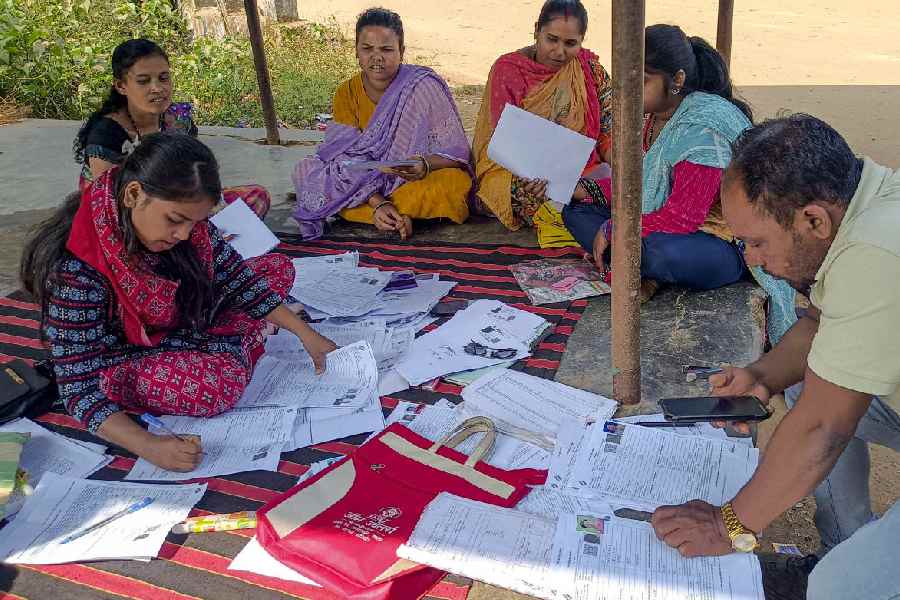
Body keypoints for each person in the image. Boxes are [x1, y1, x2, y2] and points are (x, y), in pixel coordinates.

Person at [649, 115, 900, 600]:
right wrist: (762, 376)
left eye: (759, 242)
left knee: (839, 589)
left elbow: (824, 428)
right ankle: (845, 541)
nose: (752, 260)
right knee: (810, 380)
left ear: (813, 220)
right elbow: (818, 324)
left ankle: (849, 566)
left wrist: (730, 526)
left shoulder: (874, 252)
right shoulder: (861, 202)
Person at [21, 133, 337, 472]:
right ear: (133, 195)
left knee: (276, 268)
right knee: (215, 388)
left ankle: (241, 340)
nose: (185, 235)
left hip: (178, 322)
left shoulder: (188, 229)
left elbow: (236, 277)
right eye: (174, 220)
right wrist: (149, 446)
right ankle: (243, 340)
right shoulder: (78, 270)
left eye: (195, 222)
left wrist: (305, 334)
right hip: (120, 356)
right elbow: (78, 390)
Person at [562, 24, 749, 298]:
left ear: (677, 80)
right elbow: (644, 184)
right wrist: (590, 190)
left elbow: (684, 217)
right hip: (662, 225)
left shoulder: (702, 129)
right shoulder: (654, 117)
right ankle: (634, 268)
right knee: (574, 209)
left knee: (655, 251)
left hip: (718, 241)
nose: (626, 90)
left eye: (642, 80)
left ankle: (633, 267)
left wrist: (615, 229)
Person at [292, 8, 472, 240]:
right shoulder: (346, 93)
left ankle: (386, 215)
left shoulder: (421, 85)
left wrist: (424, 164)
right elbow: (342, 159)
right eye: (367, 49)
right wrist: (376, 202)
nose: (376, 57)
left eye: (386, 49)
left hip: (410, 178)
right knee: (306, 171)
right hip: (362, 181)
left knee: (454, 185)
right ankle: (394, 215)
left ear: (401, 52)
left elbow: (457, 151)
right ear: (356, 51)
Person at [73, 38, 271, 219]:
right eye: (143, 81)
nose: (157, 88)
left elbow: (194, 173)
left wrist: (204, 203)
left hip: (174, 200)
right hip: (126, 214)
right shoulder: (107, 133)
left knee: (256, 197)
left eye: (163, 78)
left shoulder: (178, 122)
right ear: (121, 86)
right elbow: (110, 203)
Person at [472, 0, 612, 248]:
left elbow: (609, 130)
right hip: (522, 171)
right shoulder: (509, 70)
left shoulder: (590, 69)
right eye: (552, 39)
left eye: (571, 44)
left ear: (582, 40)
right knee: (533, 195)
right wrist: (533, 173)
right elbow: (504, 139)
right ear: (537, 30)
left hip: (584, 169)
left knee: (627, 186)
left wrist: (619, 168)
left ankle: (585, 205)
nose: (559, 52)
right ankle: (588, 210)